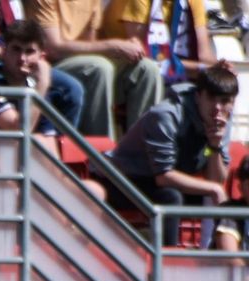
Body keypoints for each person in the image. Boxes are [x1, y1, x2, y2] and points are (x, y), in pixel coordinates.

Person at [103, 63, 241, 249]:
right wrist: (213, 188)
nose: (217, 108)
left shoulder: (223, 118)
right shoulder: (166, 115)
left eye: (224, 101)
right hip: (122, 179)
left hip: (165, 180)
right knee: (172, 197)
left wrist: (213, 146)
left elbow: (215, 179)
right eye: (211, 98)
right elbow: (163, 176)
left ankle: (215, 259)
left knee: (220, 199)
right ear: (198, 96)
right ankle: (167, 262)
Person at [26, 0, 162, 137]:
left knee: (147, 68)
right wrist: (112, 46)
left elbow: (89, 45)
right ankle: (100, 152)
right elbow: (52, 48)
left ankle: (140, 151)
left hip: (82, 62)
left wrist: (127, 47)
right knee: (99, 67)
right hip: (47, 67)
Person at [0, 19, 86, 135]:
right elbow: (18, 130)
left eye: (29, 52)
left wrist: (41, 86)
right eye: (16, 49)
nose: (22, 58)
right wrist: (43, 83)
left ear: (41, 57)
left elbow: (48, 140)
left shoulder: (36, 88)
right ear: (4, 51)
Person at [100, 0, 217, 88]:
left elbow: (204, 55)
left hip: (175, 67)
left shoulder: (192, 2)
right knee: (150, 70)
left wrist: (221, 67)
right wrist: (200, 69)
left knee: (224, 82)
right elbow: (147, 56)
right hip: (127, 68)